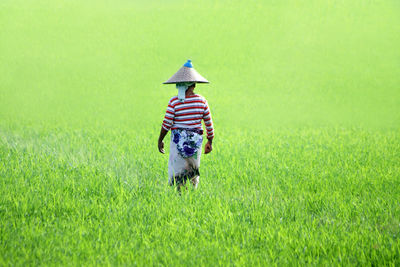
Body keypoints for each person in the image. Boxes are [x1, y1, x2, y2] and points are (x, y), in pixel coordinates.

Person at [158, 60, 214, 190]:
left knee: (177, 169)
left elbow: (166, 123)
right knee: (193, 167)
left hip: (178, 142)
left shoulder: (174, 102)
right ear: (194, 85)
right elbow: (209, 125)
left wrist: (160, 140)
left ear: (182, 85)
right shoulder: (202, 101)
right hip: (196, 141)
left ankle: (178, 194)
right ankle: (192, 191)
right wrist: (209, 141)